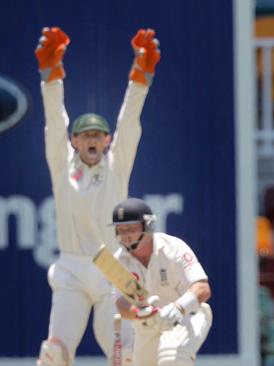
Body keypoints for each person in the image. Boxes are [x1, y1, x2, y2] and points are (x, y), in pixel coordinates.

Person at [35, 27, 160, 365]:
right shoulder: (62, 166)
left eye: (98, 135)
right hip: (72, 269)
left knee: (127, 357)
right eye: (85, 135)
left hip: (112, 270)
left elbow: (130, 121)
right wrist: (51, 78)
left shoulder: (117, 165)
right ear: (74, 141)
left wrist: (141, 77)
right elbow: (53, 122)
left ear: (106, 141)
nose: (92, 140)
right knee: (54, 354)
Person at [110, 198, 212, 366]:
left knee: (171, 359)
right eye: (121, 230)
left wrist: (178, 307)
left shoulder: (173, 247)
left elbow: (202, 288)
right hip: (148, 323)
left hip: (186, 316)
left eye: (132, 228)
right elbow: (121, 303)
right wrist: (139, 312)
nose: (126, 235)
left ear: (148, 226)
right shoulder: (118, 261)